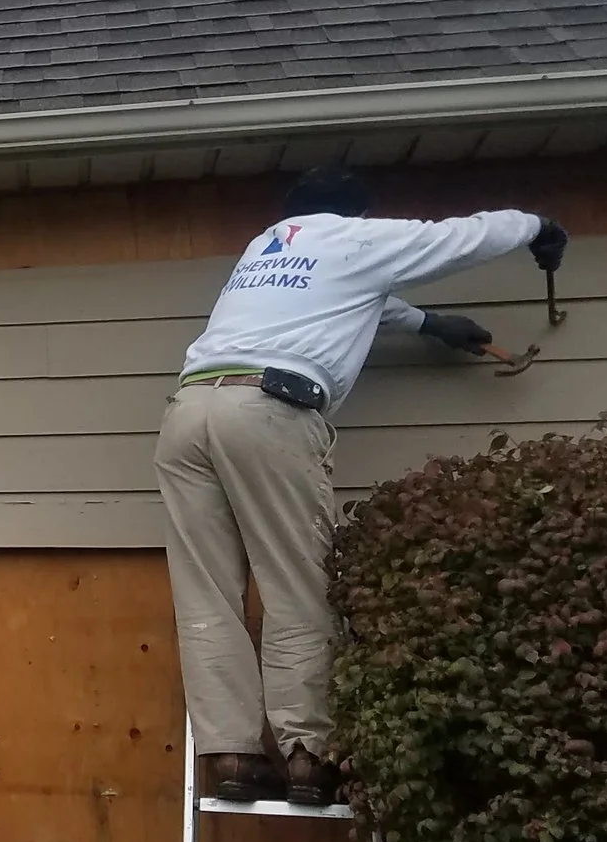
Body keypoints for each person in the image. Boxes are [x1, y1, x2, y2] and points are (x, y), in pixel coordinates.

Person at [154, 167, 566, 807]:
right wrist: (536, 226)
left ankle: (232, 754)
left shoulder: (268, 247)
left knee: (207, 595)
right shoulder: (354, 238)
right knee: (298, 586)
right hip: (267, 413)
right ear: (355, 214)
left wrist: (430, 324)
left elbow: (351, 295)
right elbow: (456, 239)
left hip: (188, 415)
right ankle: (306, 756)